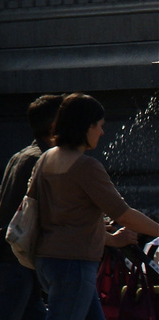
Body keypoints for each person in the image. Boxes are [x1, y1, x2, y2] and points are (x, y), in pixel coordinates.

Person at [34, 93, 159, 320]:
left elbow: (49, 211)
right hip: (74, 262)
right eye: (99, 126)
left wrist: (109, 238)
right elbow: (124, 215)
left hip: (47, 259)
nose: (102, 132)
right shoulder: (86, 167)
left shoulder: (46, 158)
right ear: (85, 126)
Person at [0, 94, 63, 320]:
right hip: (19, 256)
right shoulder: (42, 160)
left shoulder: (21, 155)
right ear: (54, 126)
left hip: (14, 254)